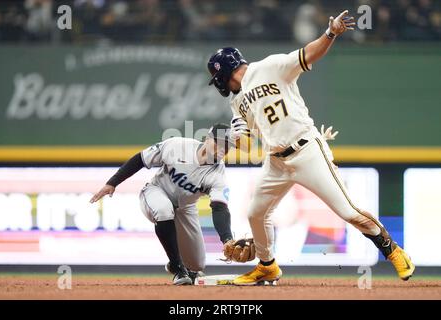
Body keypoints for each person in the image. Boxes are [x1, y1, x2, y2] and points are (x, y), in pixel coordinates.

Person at [207, 10, 415, 285]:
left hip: (306, 151)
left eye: (217, 78)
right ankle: (267, 266)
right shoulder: (236, 102)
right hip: (275, 162)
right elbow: (245, 138)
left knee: (349, 211)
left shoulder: (269, 66)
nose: (218, 84)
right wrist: (234, 138)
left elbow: (309, 54)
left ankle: (393, 250)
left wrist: (330, 34)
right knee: (256, 213)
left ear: (223, 73)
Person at [90, 124, 236, 285]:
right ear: (207, 138)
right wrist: (113, 183)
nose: (221, 150)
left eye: (227, 147)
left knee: (197, 265)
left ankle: (177, 264)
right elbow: (141, 159)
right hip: (155, 192)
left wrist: (227, 239)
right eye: (219, 143)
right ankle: (178, 267)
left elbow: (219, 208)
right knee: (164, 209)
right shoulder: (178, 146)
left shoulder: (218, 175)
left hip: (185, 208)